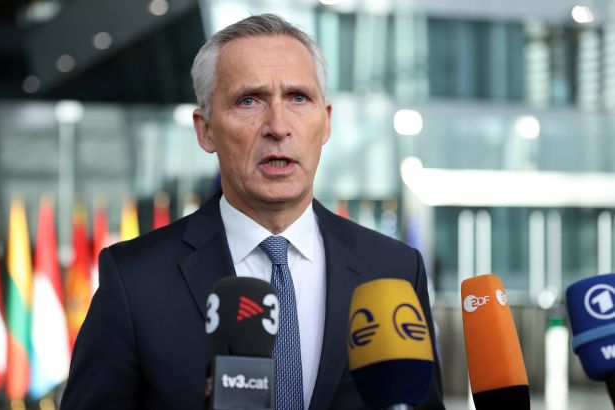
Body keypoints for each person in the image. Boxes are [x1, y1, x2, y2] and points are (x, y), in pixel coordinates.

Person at [61, 13, 444, 410]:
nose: (278, 126)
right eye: (249, 100)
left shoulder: (395, 270)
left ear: (326, 121)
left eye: (298, 98)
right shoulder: (135, 280)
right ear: (205, 129)